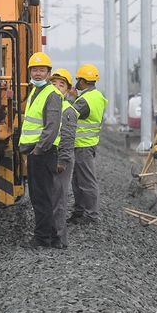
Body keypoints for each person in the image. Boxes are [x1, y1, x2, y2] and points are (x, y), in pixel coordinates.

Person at [18, 52, 62, 248]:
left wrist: (38, 150)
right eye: (34, 70)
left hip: (43, 153)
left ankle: (42, 239)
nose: (37, 74)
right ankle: (53, 237)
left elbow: (51, 128)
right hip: (36, 152)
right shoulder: (35, 92)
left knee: (41, 197)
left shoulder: (52, 94)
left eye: (41, 70)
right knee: (41, 196)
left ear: (48, 73)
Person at [69, 63, 107, 224]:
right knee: (77, 181)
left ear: (83, 81)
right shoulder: (96, 96)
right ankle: (80, 211)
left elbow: (69, 115)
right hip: (85, 144)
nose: (76, 83)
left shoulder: (84, 101)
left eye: (78, 80)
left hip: (83, 145)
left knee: (86, 181)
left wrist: (70, 97)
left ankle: (91, 215)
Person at [49, 68, 77, 246]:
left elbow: (67, 138)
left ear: (67, 90)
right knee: (50, 197)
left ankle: (60, 239)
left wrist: (62, 161)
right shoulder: (51, 106)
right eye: (54, 84)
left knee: (59, 200)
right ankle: (51, 235)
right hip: (50, 156)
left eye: (61, 85)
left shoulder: (67, 110)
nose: (57, 87)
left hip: (61, 158)